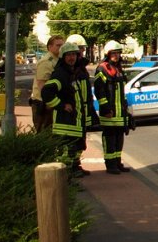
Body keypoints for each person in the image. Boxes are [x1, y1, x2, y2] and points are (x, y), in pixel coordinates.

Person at [41, 42, 90, 177]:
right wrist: (61, 105)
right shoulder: (60, 74)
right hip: (65, 123)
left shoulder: (73, 72)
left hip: (75, 120)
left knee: (76, 147)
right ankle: (68, 177)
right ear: (63, 57)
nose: (71, 58)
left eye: (74, 54)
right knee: (67, 151)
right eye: (68, 55)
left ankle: (74, 169)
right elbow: (46, 92)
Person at [94, 40, 131, 174]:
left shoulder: (118, 69)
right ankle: (110, 165)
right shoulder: (102, 68)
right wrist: (104, 107)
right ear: (108, 54)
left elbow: (122, 92)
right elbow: (99, 90)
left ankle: (117, 162)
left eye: (118, 53)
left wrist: (126, 109)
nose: (116, 55)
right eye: (113, 53)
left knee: (119, 139)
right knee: (109, 139)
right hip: (109, 112)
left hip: (119, 112)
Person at [31, 35, 64, 132]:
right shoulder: (46, 62)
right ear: (49, 47)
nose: (61, 48)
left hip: (52, 102)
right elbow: (42, 84)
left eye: (62, 45)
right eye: (58, 45)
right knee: (44, 134)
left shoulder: (57, 60)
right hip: (43, 104)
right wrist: (49, 102)